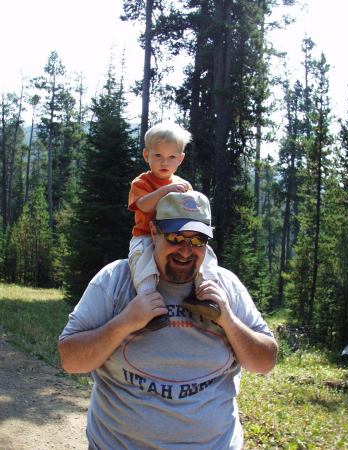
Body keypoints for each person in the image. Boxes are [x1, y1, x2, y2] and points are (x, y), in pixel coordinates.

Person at [58, 190, 278, 450]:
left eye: (198, 240)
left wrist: (228, 320)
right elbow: (70, 359)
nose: (186, 250)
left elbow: (265, 362)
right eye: (175, 237)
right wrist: (126, 321)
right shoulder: (116, 280)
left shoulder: (225, 286)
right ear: (153, 232)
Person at [128, 122, 218, 330]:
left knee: (207, 254)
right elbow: (142, 204)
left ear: (180, 159)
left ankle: (205, 295)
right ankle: (148, 306)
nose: (164, 162)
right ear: (146, 156)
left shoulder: (182, 184)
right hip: (144, 235)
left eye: (171, 157)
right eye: (158, 156)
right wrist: (165, 191)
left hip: (177, 234)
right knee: (143, 263)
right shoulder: (141, 182)